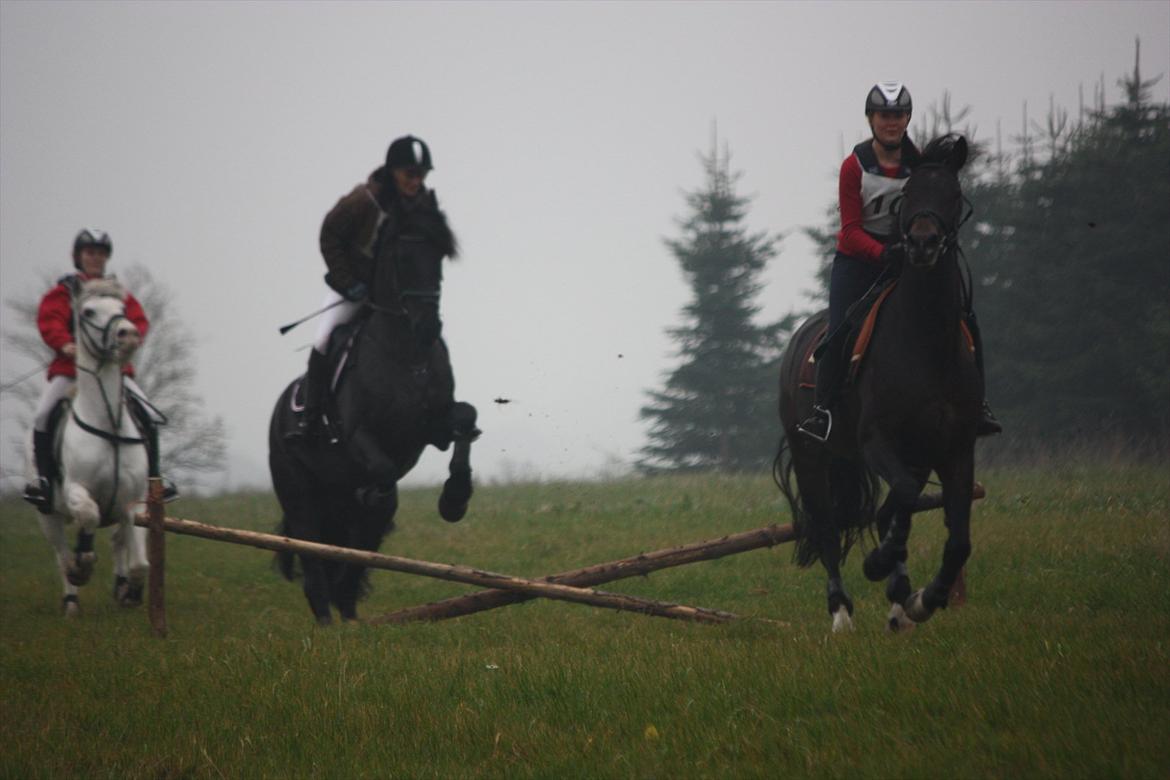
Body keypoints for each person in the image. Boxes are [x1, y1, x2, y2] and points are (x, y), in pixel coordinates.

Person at [797, 82, 1002, 442]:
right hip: (858, 261)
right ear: (871, 119)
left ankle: (978, 404)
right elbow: (849, 230)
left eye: (898, 116)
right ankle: (823, 412)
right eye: (884, 116)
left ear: (907, 118)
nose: (891, 123)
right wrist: (881, 253)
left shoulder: (919, 165)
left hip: (911, 257)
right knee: (841, 329)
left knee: (966, 318)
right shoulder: (854, 166)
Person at [288, 134, 456, 439]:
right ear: (393, 172)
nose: (416, 181)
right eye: (410, 174)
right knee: (324, 339)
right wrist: (348, 282)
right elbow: (329, 236)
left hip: (396, 296)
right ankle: (310, 420)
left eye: (421, 175)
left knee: (429, 338)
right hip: (351, 289)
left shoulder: (422, 203)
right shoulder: (363, 201)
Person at [23, 228, 178, 512]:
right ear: (78, 257)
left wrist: (131, 342)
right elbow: (49, 322)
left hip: (113, 374)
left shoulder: (116, 293)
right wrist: (65, 344)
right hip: (70, 371)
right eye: (90, 253)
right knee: (43, 415)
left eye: (101, 254)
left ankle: (155, 479)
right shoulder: (63, 293)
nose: (96, 259)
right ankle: (43, 481)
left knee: (149, 415)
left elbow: (138, 322)